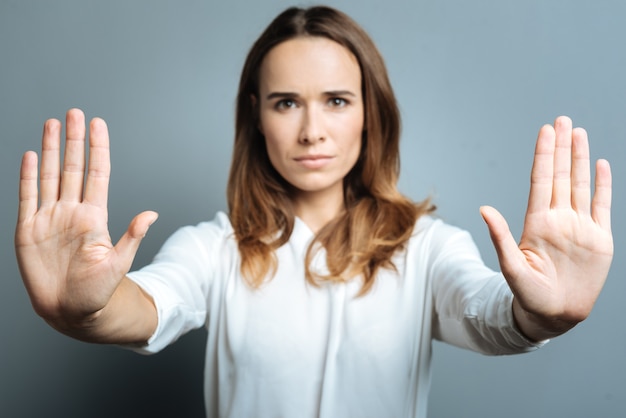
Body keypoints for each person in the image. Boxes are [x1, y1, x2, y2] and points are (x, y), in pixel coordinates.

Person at [15, 5, 613, 418]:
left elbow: (492, 314)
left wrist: (545, 315)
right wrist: (84, 309)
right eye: (285, 103)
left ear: (368, 113)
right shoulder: (212, 249)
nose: (311, 131)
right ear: (256, 115)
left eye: (335, 100)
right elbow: (147, 307)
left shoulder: (428, 248)